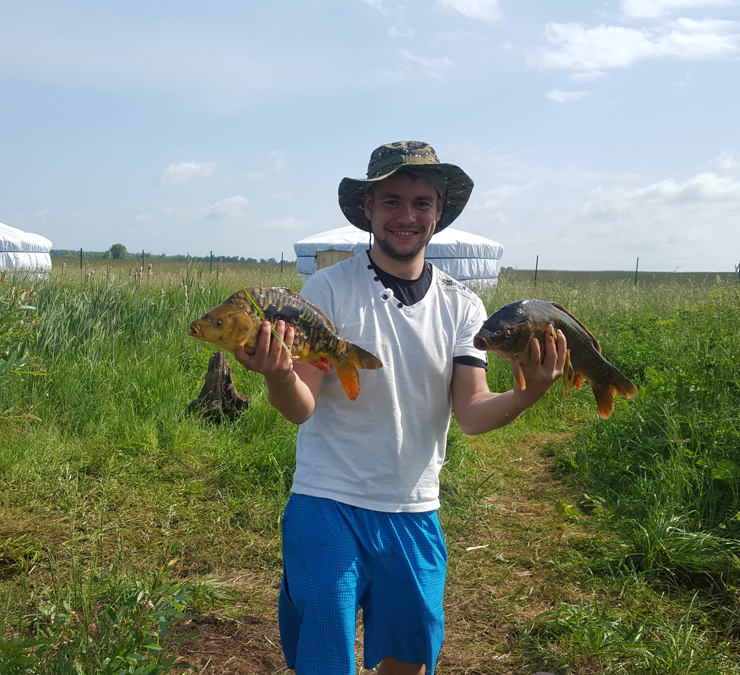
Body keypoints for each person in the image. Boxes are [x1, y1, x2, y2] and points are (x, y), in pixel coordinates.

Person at [233, 141, 567, 675]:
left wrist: (529, 392)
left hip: (414, 507)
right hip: (326, 500)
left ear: (439, 212)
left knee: (409, 659)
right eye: (391, 201)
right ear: (368, 207)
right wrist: (278, 374)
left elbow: (473, 412)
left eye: (420, 203)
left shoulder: (463, 305)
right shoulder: (329, 287)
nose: (406, 216)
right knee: (324, 659)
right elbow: (300, 407)